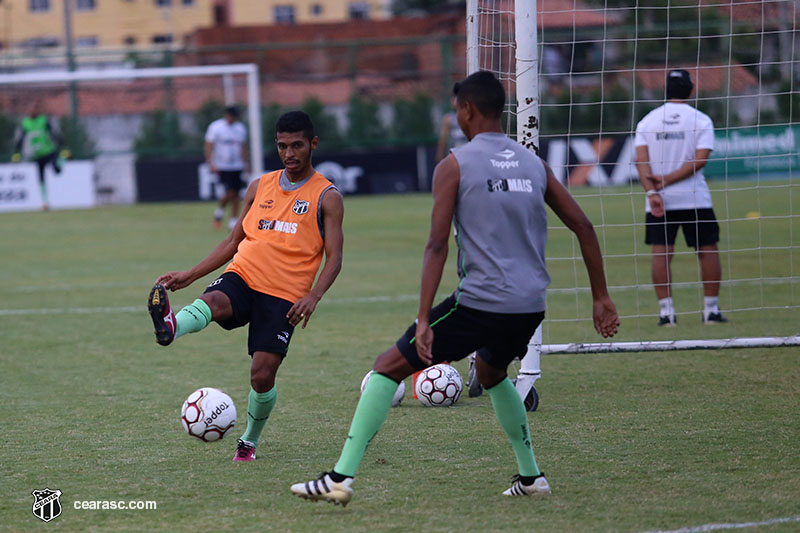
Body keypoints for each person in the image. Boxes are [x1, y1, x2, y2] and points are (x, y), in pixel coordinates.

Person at [290, 71, 619, 506]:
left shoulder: (454, 164)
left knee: (387, 366)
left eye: (457, 109)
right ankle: (531, 477)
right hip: (530, 305)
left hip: (482, 302)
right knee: (490, 372)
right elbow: (583, 225)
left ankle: (338, 478)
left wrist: (424, 319)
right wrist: (601, 297)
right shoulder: (533, 163)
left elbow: (437, 245)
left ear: (466, 109)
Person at [148, 111, 344, 462]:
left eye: (297, 145)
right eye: (282, 146)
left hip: (285, 295)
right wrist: (190, 274)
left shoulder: (327, 197)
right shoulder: (259, 186)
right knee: (216, 300)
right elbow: (233, 240)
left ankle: (249, 441)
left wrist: (313, 296)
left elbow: (334, 258)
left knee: (262, 375)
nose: (289, 154)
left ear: (313, 144)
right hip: (245, 273)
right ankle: (171, 325)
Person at [635, 69, 726, 326]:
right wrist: (667, 180)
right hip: (695, 198)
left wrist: (654, 190)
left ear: (665, 90)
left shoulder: (647, 121)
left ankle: (666, 314)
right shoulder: (701, 120)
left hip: (658, 201)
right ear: (691, 89)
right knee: (707, 251)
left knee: (661, 255)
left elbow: (641, 161)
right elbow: (699, 161)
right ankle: (711, 311)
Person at [12, 101, 69, 210]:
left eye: (35, 109)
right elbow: (20, 139)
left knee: (57, 170)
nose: (33, 111)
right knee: (41, 178)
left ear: (38, 111)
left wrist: (64, 146)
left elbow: (54, 133)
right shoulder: (25, 123)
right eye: (30, 110)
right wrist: (16, 153)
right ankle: (45, 202)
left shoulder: (43, 120)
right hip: (37, 155)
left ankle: (63, 159)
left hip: (49, 151)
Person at [205, 105, 250, 231]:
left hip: (237, 166)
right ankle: (219, 211)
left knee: (236, 194)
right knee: (229, 193)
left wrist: (246, 163)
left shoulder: (240, 128)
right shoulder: (215, 127)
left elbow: (243, 147)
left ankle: (233, 221)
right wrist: (210, 163)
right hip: (222, 166)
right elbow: (208, 145)